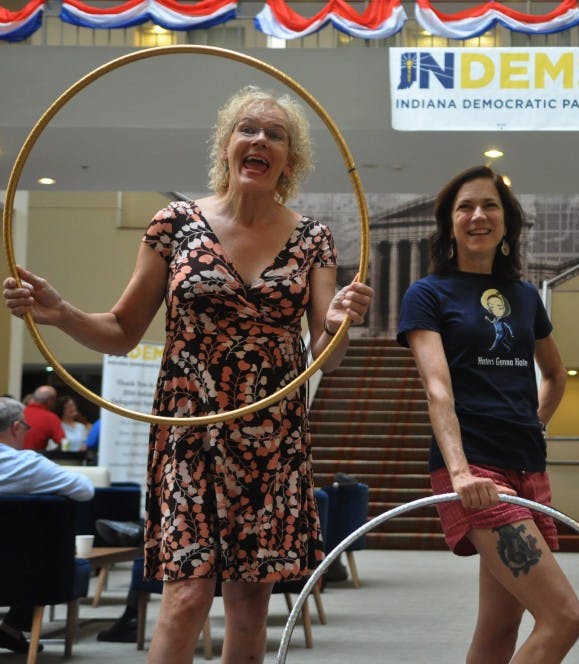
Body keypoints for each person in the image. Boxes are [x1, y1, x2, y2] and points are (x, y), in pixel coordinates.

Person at [3, 85, 373, 663]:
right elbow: (123, 330)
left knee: (250, 605)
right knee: (185, 594)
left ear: (289, 160)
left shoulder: (313, 239)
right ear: (226, 146)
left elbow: (330, 352)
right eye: (248, 128)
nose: (260, 139)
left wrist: (341, 324)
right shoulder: (174, 223)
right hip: (188, 432)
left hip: (271, 437)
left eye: (275, 134)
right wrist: (60, 312)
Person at [397, 165, 579, 663]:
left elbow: (557, 375)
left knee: (501, 627)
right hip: (475, 469)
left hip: (528, 465)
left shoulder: (524, 297)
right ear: (449, 222)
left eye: (489, 206)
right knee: (565, 616)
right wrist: (459, 471)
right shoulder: (428, 294)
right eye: (465, 207)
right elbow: (437, 387)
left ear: (506, 222)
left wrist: (535, 424)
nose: (477, 215)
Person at [0, 396, 95, 653]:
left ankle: (10, 630)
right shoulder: (29, 466)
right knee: (38, 552)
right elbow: (85, 490)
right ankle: (12, 627)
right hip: (27, 575)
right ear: (16, 428)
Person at [22, 385, 66, 451]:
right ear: (50, 400)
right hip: (34, 459)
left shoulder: (19, 412)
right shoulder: (50, 418)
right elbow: (63, 444)